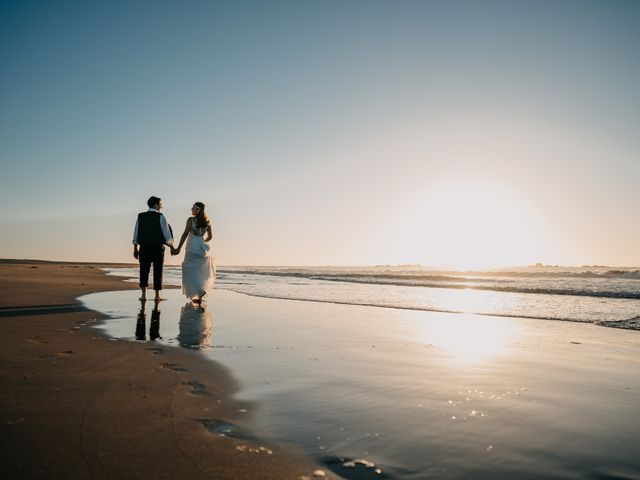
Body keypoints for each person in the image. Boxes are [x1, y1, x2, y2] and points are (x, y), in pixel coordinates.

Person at [171, 202, 215, 304]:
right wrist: (202, 241)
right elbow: (210, 236)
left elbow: (185, 233)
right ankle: (199, 295)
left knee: (187, 269)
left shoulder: (191, 220)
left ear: (198, 209)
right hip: (202, 248)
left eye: (193, 208)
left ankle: (200, 291)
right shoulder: (207, 222)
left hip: (192, 248)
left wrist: (178, 248)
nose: (191, 209)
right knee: (198, 271)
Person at [132, 196, 174, 301]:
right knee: (158, 270)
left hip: (144, 247)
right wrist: (172, 247)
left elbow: (136, 233)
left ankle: (143, 295)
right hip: (157, 248)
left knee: (143, 270)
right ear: (156, 205)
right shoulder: (161, 216)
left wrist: (135, 248)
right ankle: (156, 296)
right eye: (160, 204)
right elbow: (166, 233)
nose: (161, 206)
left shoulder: (140, 216)